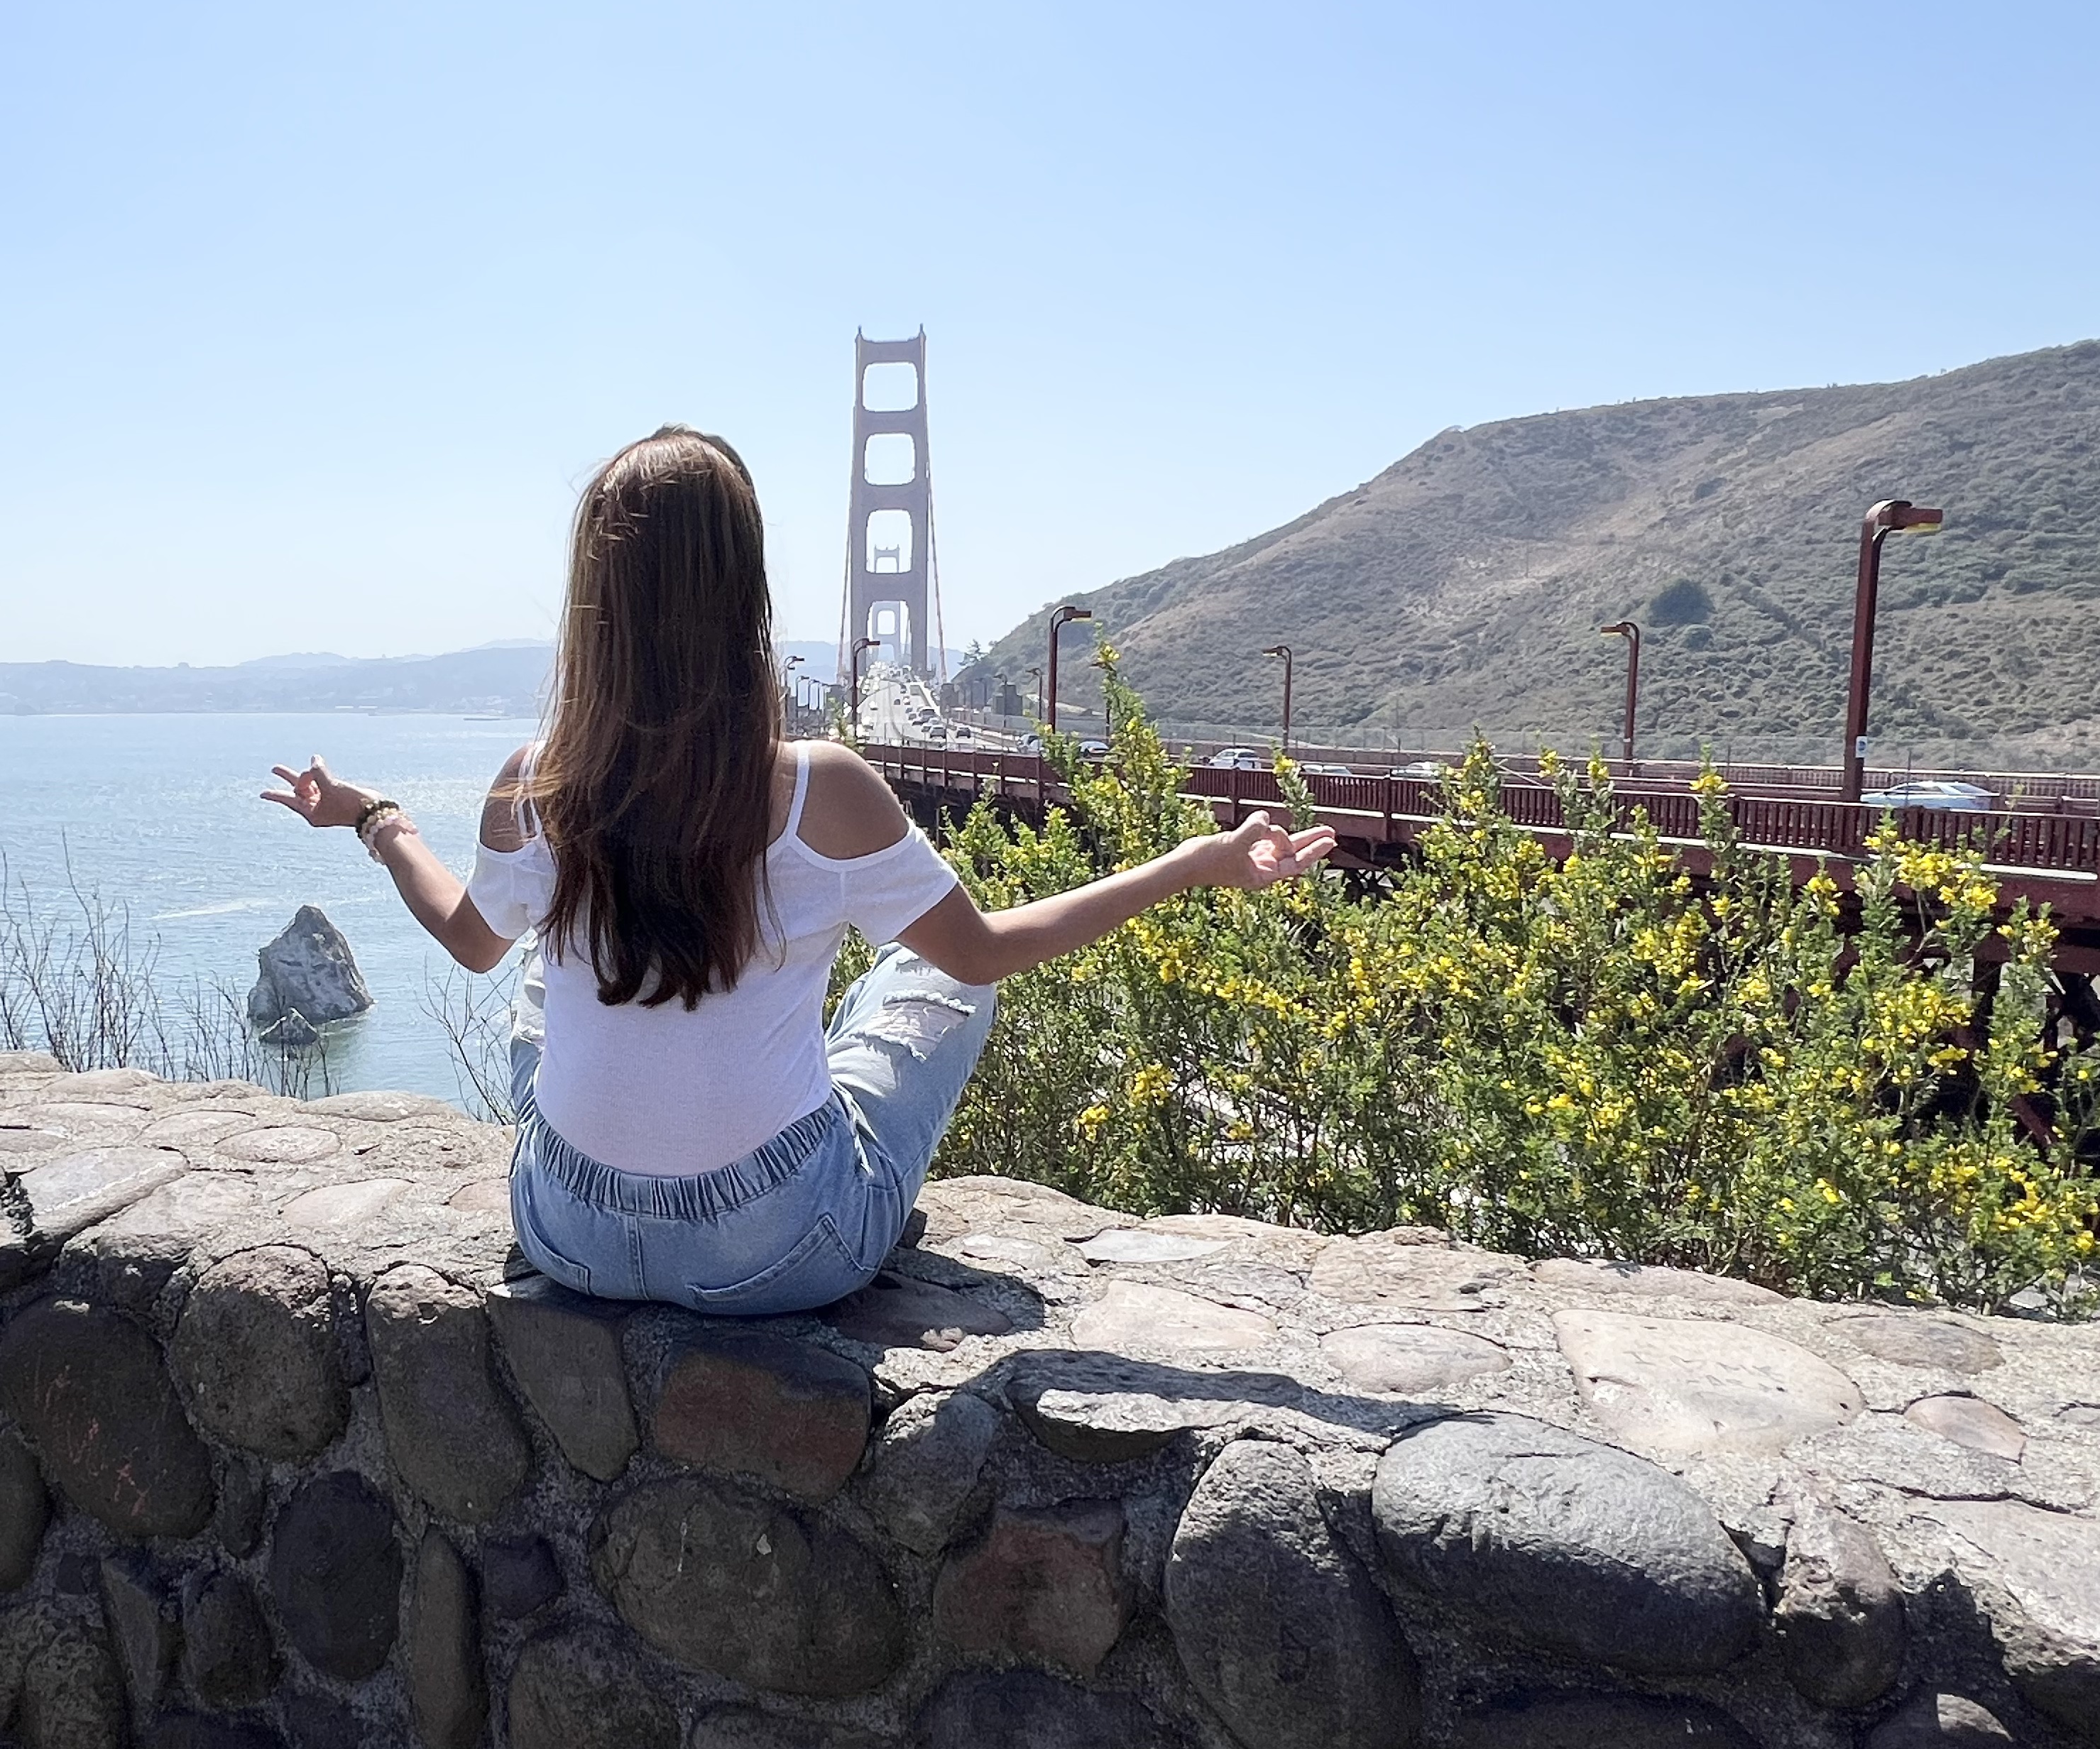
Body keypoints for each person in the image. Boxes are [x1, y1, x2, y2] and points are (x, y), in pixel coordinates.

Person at [264, 426, 1333, 1315]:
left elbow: (469, 940)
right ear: (744, 596)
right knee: (927, 973)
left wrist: (377, 818)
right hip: (774, 1248)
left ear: (596, 599)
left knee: (545, 973)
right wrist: (1195, 863)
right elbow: (990, 951)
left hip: (570, 1231)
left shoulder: (535, 780)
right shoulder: (827, 788)